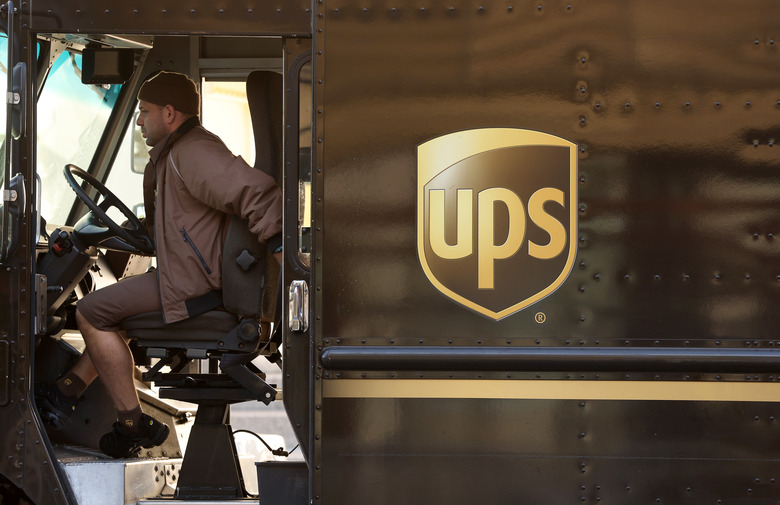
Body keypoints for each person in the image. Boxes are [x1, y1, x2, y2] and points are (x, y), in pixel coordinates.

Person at [36, 71, 283, 458]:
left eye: (144, 112)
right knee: (116, 312)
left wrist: (289, 259)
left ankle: (131, 424)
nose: (138, 121)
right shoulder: (175, 155)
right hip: (193, 279)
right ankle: (66, 390)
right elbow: (178, 228)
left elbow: (258, 195)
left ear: (170, 113)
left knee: (90, 313)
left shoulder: (193, 153)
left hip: (194, 287)